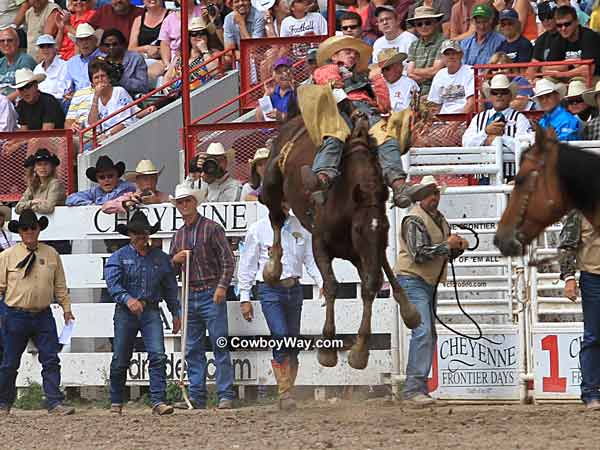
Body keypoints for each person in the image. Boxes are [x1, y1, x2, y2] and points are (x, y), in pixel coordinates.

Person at [300, 35, 433, 208]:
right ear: (334, 56)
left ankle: (399, 186)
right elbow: (332, 88)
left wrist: (377, 82)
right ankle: (322, 177)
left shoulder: (365, 77)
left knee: (388, 139)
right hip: (336, 110)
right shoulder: (328, 69)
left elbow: (384, 106)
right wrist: (352, 110)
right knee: (335, 135)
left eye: (355, 54)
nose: (353, 56)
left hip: (368, 112)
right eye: (348, 52)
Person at [237, 204, 323, 410]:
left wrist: (322, 282)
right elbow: (248, 264)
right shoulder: (258, 229)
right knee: (282, 335)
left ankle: (287, 392)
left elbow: (310, 259)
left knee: (291, 340)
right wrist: (244, 296)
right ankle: (285, 393)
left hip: (293, 287)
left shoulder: (300, 227)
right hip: (270, 289)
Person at [394, 175, 468, 406]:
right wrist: (448, 246)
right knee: (424, 331)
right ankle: (413, 390)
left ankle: (417, 389)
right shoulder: (414, 219)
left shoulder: (437, 219)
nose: (434, 198)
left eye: (435, 193)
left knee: (426, 332)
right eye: (429, 194)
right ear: (421, 198)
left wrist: (455, 248)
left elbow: (436, 251)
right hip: (413, 279)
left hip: (425, 281)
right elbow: (419, 253)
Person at [104, 210, 181, 415]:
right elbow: (113, 285)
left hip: (150, 309)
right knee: (121, 357)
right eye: (137, 233)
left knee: (158, 355)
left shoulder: (161, 258)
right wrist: (127, 299)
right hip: (126, 311)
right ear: (130, 234)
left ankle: (157, 400)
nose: (141, 236)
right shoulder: (118, 257)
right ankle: (116, 400)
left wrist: (175, 312)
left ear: (149, 234)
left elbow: (170, 287)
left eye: (144, 233)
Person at [0, 209, 75, 415]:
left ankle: (54, 402)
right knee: (9, 361)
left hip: (43, 313)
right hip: (15, 313)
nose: (29, 232)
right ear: (20, 232)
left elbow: (60, 285)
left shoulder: (51, 254)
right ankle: (4, 403)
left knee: (50, 358)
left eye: (33, 228)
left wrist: (66, 308)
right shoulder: (7, 256)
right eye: (25, 228)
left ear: (39, 229)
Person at [169, 183, 236, 410]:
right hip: (189, 294)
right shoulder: (178, 236)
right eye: (180, 202)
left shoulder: (212, 228)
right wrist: (175, 261)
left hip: (210, 291)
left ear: (195, 202)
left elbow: (228, 260)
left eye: (187, 200)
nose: (184, 205)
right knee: (192, 348)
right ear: (177, 206)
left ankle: (225, 394)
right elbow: (172, 271)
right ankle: (197, 396)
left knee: (219, 343)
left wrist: (221, 287)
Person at [559, 210, 600, 410]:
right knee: (593, 335)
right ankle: (591, 391)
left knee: (593, 336)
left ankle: (592, 391)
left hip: (593, 277)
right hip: (593, 277)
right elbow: (567, 245)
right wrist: (569, 277)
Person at [462, 74, 533, 147]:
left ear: (510, 96)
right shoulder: (478, 118)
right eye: (495, 92)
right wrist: (485, 132)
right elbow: (466, 143)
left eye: (504, 92)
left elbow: (525, 145)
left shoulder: (519, 118)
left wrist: (500, 139)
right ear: (490, 96)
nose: (499, 95)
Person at [86, 58, 139, 140]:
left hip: (125, 135)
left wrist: (108, 135)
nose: (100, 80)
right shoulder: (94, 99)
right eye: (96, 78)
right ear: (92, 83)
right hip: (105, 139)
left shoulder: (119, 91)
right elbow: (92, 124)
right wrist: (96, 97)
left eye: (103, 76)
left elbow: (126, 122)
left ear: (109, 78)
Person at [163, 17, 218, 96]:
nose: (199, 37)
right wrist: (166, 88)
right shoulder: (180, 57)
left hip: (199, 95)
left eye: (202, 33)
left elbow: (214, 71)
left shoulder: (214, 54)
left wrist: (204, 50)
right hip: (174, 96)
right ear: (189, 38)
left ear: (207, 35)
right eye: (194, 34)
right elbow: (167, 77)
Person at [545, 5, 600, 79]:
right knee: (543, 83)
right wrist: (568, 63)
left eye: (567, 24)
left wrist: (563, 74)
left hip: (592, 78)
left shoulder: (589, 36)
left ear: (576, 22)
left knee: (575, 84)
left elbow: (588, 69)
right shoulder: (557, 39)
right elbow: (546, 69)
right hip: (566, 79)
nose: (563, 28)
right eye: (559, 25)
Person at [101, 159, 169, 214]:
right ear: (137, 181)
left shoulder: (165, 197)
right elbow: (105, 207)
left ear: (157, 180)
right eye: (145, 179)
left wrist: (158, 201)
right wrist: (126, 203)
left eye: (153, 178)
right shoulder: (130, 196)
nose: (150, 182)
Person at [406, 6, 445, 98]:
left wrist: (416, 71)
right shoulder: (414, 45)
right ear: (415, 27)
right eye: (419, 24)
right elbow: (410, 73)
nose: (423, 26)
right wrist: (428, 75)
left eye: (427, 23)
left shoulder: (444, 42)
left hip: (438, 92)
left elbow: (436, 71)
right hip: (416, 93)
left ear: (435, 23)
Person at [428, 39, 474, 114]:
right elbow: (435, 105)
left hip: (464, 119)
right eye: (447, 54)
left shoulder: (470, 71)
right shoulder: (440, 74)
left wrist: (454, 125)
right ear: (442, 57)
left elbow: (471, 104)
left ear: (461, 55)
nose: (451, 57)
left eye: (454, 53)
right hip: (442, 120)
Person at [66, 155, 136, 205]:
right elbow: (70, 198)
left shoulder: (127, 186)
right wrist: (91, 204)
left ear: (117, 176)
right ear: (97, 179)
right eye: (102, 177)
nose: (106, 180)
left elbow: (106, 201)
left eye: (110, 176)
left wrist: (95, 203)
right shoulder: (95, 191)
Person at [158, 0, 204, 73]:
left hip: (201, 53)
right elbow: (164, 44)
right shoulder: (169, 19)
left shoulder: (203, 11)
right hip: (176, 60)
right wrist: (167, 64)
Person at [128, 0, 170, 81]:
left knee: (145, 75)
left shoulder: (171, 16)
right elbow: (131, 48)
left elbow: (175, 45)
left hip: (163, 61)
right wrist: (147, 48)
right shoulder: (138, 20)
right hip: (142, 60)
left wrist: (159, 51)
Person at [100, 28, 149, 96]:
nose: (111, 48)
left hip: (131, 98)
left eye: (115, 44)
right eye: (107, 45)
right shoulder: (101, 61)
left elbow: (143, 87)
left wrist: (121, 79)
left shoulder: (136, 58)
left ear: (123, 44)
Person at [15, 148, 65, 214]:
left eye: (46, 164)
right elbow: (17, 208)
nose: (43, 167)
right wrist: (33, 202)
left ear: (52, 167)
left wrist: (30, 207)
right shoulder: (33, 185)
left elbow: (48, 208)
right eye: (39, 164)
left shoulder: (55, 183)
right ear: (34, 168)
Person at [375, 48, 419, 112]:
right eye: (382, 70)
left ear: (398, 67)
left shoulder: (409, 85)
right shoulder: (378, 85)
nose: (383, 72)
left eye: (386, 69)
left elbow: (412, 111)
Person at [65, 24, 105, 92]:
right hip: (78, 99)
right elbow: (67, 87)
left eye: (87, 39)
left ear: (95, 41)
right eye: (81, 40)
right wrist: (68, 93)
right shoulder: (72, 62)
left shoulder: (104, 58)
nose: (84, 43)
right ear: (77, 43)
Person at [255, 57, 298, 121]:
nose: (284, 75)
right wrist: (266, 95)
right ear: (274, 75)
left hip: (290, 129)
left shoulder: (298, 91)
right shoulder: (273, 92)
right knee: (259, 109)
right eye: (279, 72)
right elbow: (262, 115)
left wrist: (279, 115)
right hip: (272, 129)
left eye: (287, 70)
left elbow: (300, 117)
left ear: (293, 72)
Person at [0, 27, 37, 101]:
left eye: (10, 40)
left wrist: (3, 102)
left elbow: (25, 89)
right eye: (2, 41)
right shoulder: (1, 61)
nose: (6, 43)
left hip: (17, 103)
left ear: (17, 42)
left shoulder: (25, 60)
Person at [33, 35, 69, 104]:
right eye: (42, 47)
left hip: (57, 103)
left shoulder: (64, 65)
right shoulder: (37, 68)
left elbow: (64, 92)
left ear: (55, 48)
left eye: (49, 46)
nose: (45, 50)